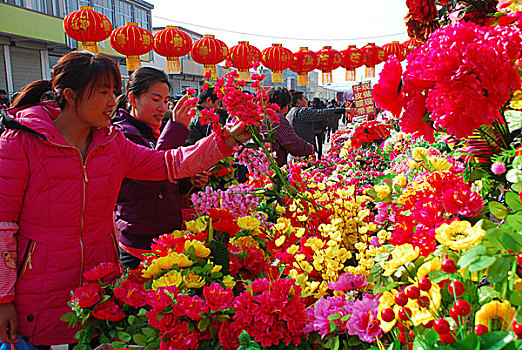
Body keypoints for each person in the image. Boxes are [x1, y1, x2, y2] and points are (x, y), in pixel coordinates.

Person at [0, 51, 252, 347]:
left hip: (100, 286)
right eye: (103, 92)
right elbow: (4, 225)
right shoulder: (21, 142)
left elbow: (170, 163)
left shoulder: (112, 143)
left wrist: (228, 139)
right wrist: (4, 298)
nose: (111, 102)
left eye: (114, 93)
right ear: (70, 94)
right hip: (38, 292)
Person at [111, 67, 209, 271]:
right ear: (132, 98)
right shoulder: (122, 134)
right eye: (155, 100)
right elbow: (153, 173)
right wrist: (176, 130)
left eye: (165, 101)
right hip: (138, 242)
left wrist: (189, 179)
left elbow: (170, 181)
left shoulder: (159, 132)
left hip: (165, 235)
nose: (163, 108)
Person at [286, 91, 345, 158]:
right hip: (303, 154)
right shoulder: (300, 112)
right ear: (299, 101)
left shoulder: (290, 113)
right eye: (305, 99)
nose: (307, 101)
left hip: (295, 152)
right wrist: (342, 110)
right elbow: (321, 113)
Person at [266, 87, 314, 167]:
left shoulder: (261, 116)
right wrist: (309, 148)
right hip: (273, 168)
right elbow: (292, 143)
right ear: (284, 104)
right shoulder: (277, 119)